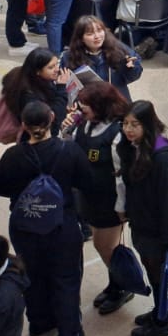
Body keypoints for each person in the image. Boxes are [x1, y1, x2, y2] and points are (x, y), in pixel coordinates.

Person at [0, 100, 86, 336]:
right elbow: (84, 181)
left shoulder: (12, 156)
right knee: (65, 278)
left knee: (33, 275)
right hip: (61, 224)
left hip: (25, 225)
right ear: (52, 118)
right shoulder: (69, 151)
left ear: (23, 125)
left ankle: (40, 322)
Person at [61, 82, 133, 316]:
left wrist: (122, 207)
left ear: (101, 106)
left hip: (110, 202)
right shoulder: (84, 124)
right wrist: (66, 132)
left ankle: (123, 287)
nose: (80, 111)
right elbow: (72, 150)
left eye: (85, 107)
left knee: (106, 246)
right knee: (103, 246)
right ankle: (115, 284)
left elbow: (121, 175)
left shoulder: (117, 133)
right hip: (88, 196)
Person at [117, 101, 168, 336]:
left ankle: (162, 322)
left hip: (155, 230)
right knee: (153, 271)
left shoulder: (161, 159)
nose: (128, 129)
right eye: (125, 124)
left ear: (148, 124)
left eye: (135, 124)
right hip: (141, 223)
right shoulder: (133, 148)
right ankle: (162, 309)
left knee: (158, 275)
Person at [62, 15, 143, 100]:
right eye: (90, 34)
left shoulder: (119, 49)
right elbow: (66, 87)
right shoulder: (69, 56)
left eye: (100, 31)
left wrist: (130, 69)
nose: (97, 36)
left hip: (116, 100)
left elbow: (134, 76)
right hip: (88, 103)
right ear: (81, 38)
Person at [0, 48, 75, 134]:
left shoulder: (43, 80)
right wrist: (61, 88)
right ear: (37, 71)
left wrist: (66, 106)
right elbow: (52, 119)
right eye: (51, 67)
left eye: (57, 64)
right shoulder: (28, 95)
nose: (57, 69)